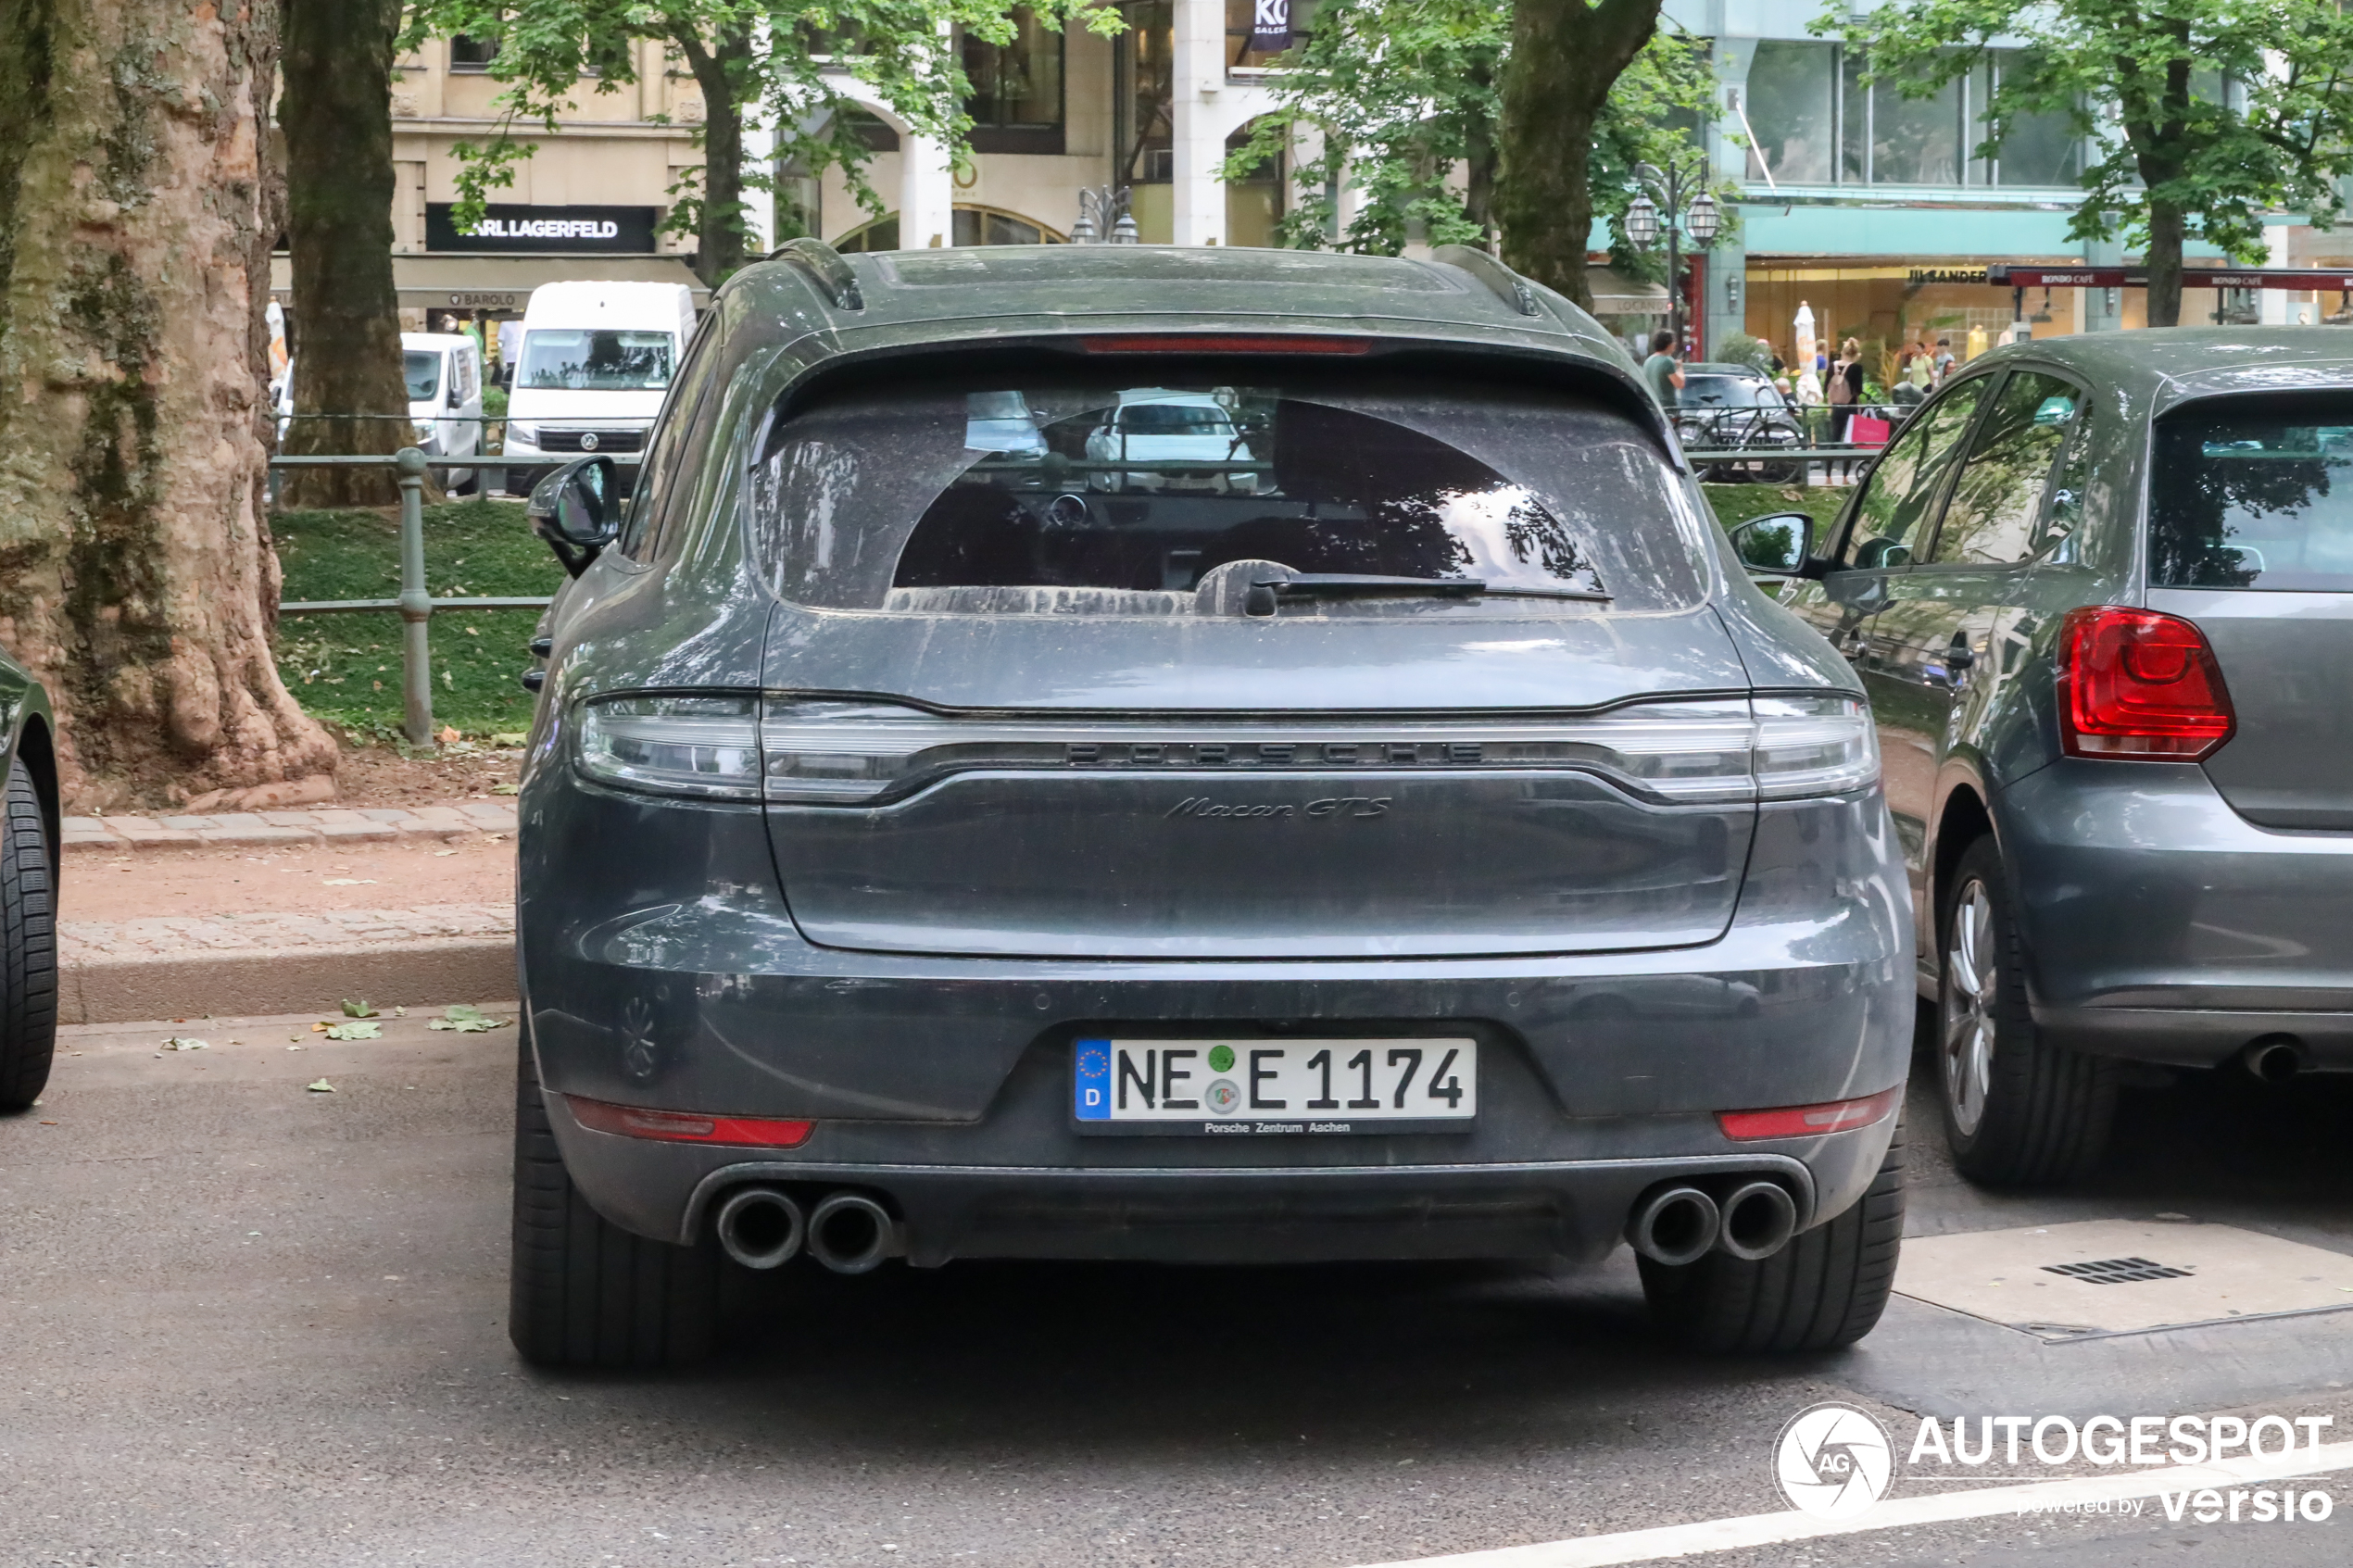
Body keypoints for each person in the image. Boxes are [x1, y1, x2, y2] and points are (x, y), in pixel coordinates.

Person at [1642, 328, 1684, 410]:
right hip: (1667, 408)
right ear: (1668, 344)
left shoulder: (1648, 361)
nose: (1675, 344)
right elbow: (1680, 384)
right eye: (1674, 341)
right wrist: (1680, 367)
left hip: (1652, 406)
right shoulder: (1667, 361)